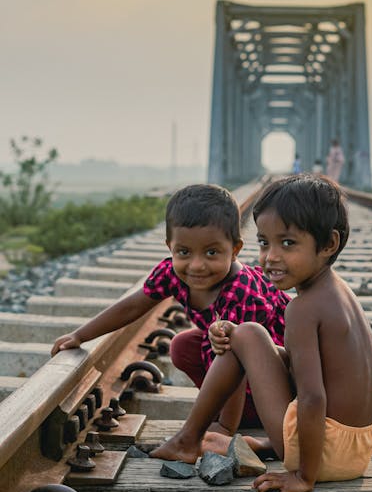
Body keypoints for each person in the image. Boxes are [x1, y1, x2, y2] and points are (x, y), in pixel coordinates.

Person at [150, 175, 372, 492]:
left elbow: (313, 397)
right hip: (359, 448)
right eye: (263, 242)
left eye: (287, 243)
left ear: (329, 244)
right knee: (245, 336)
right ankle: (209, 437)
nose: (270, 257)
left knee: (249, 333)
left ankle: (189, 439)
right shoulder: (337, 292)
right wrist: (254, 349)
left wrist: (303, 476)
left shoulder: (303, 309)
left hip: (327, 456)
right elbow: (319, 376)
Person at [51, 184, 290, 432]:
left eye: (211, 252)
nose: (196, 265)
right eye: (184, 252)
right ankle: (236, 412)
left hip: (280, 381)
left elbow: (236, 363)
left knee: (222, 347)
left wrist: (225, 429)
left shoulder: (242, 293)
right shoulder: (171, 273)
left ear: (235, 250)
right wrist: (80, 335)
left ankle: (243, 416)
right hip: (244, 368)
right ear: (170, 247)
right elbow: (131, 307)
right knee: (183, 346)